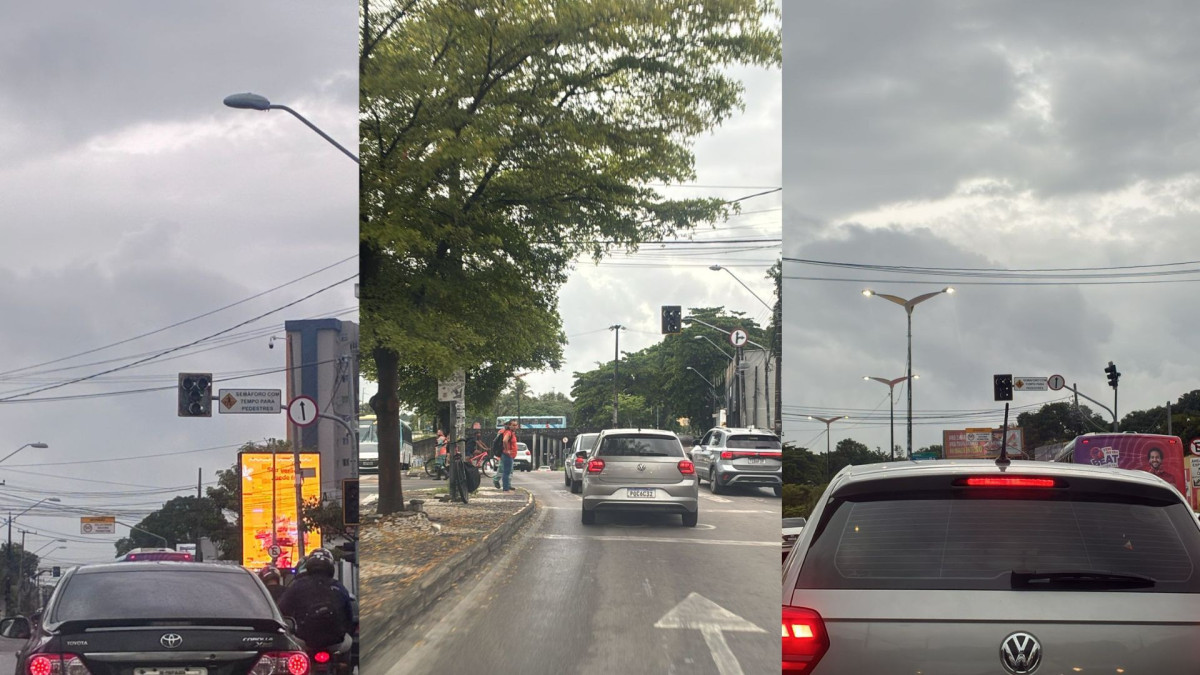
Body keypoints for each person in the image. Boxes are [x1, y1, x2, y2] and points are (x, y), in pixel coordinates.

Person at [277, 548, 354, 651]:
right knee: (348, 640)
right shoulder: (339, 587)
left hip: (304, 641)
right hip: (335, 642)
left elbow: (281, 611)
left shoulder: (297, 586)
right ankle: (343, 665)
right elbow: (349, 617)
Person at [499, 419, 519, 491]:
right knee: (506, 472)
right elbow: (505, 440)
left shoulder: (511, 433)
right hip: (507, 455)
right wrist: (507, 450)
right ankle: (505, 488)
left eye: (516, 425)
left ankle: (507, 487)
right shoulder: (509, 432)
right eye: (513, 425)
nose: (515, 427)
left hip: (511, 455)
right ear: (509, 425)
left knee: (508, 471)